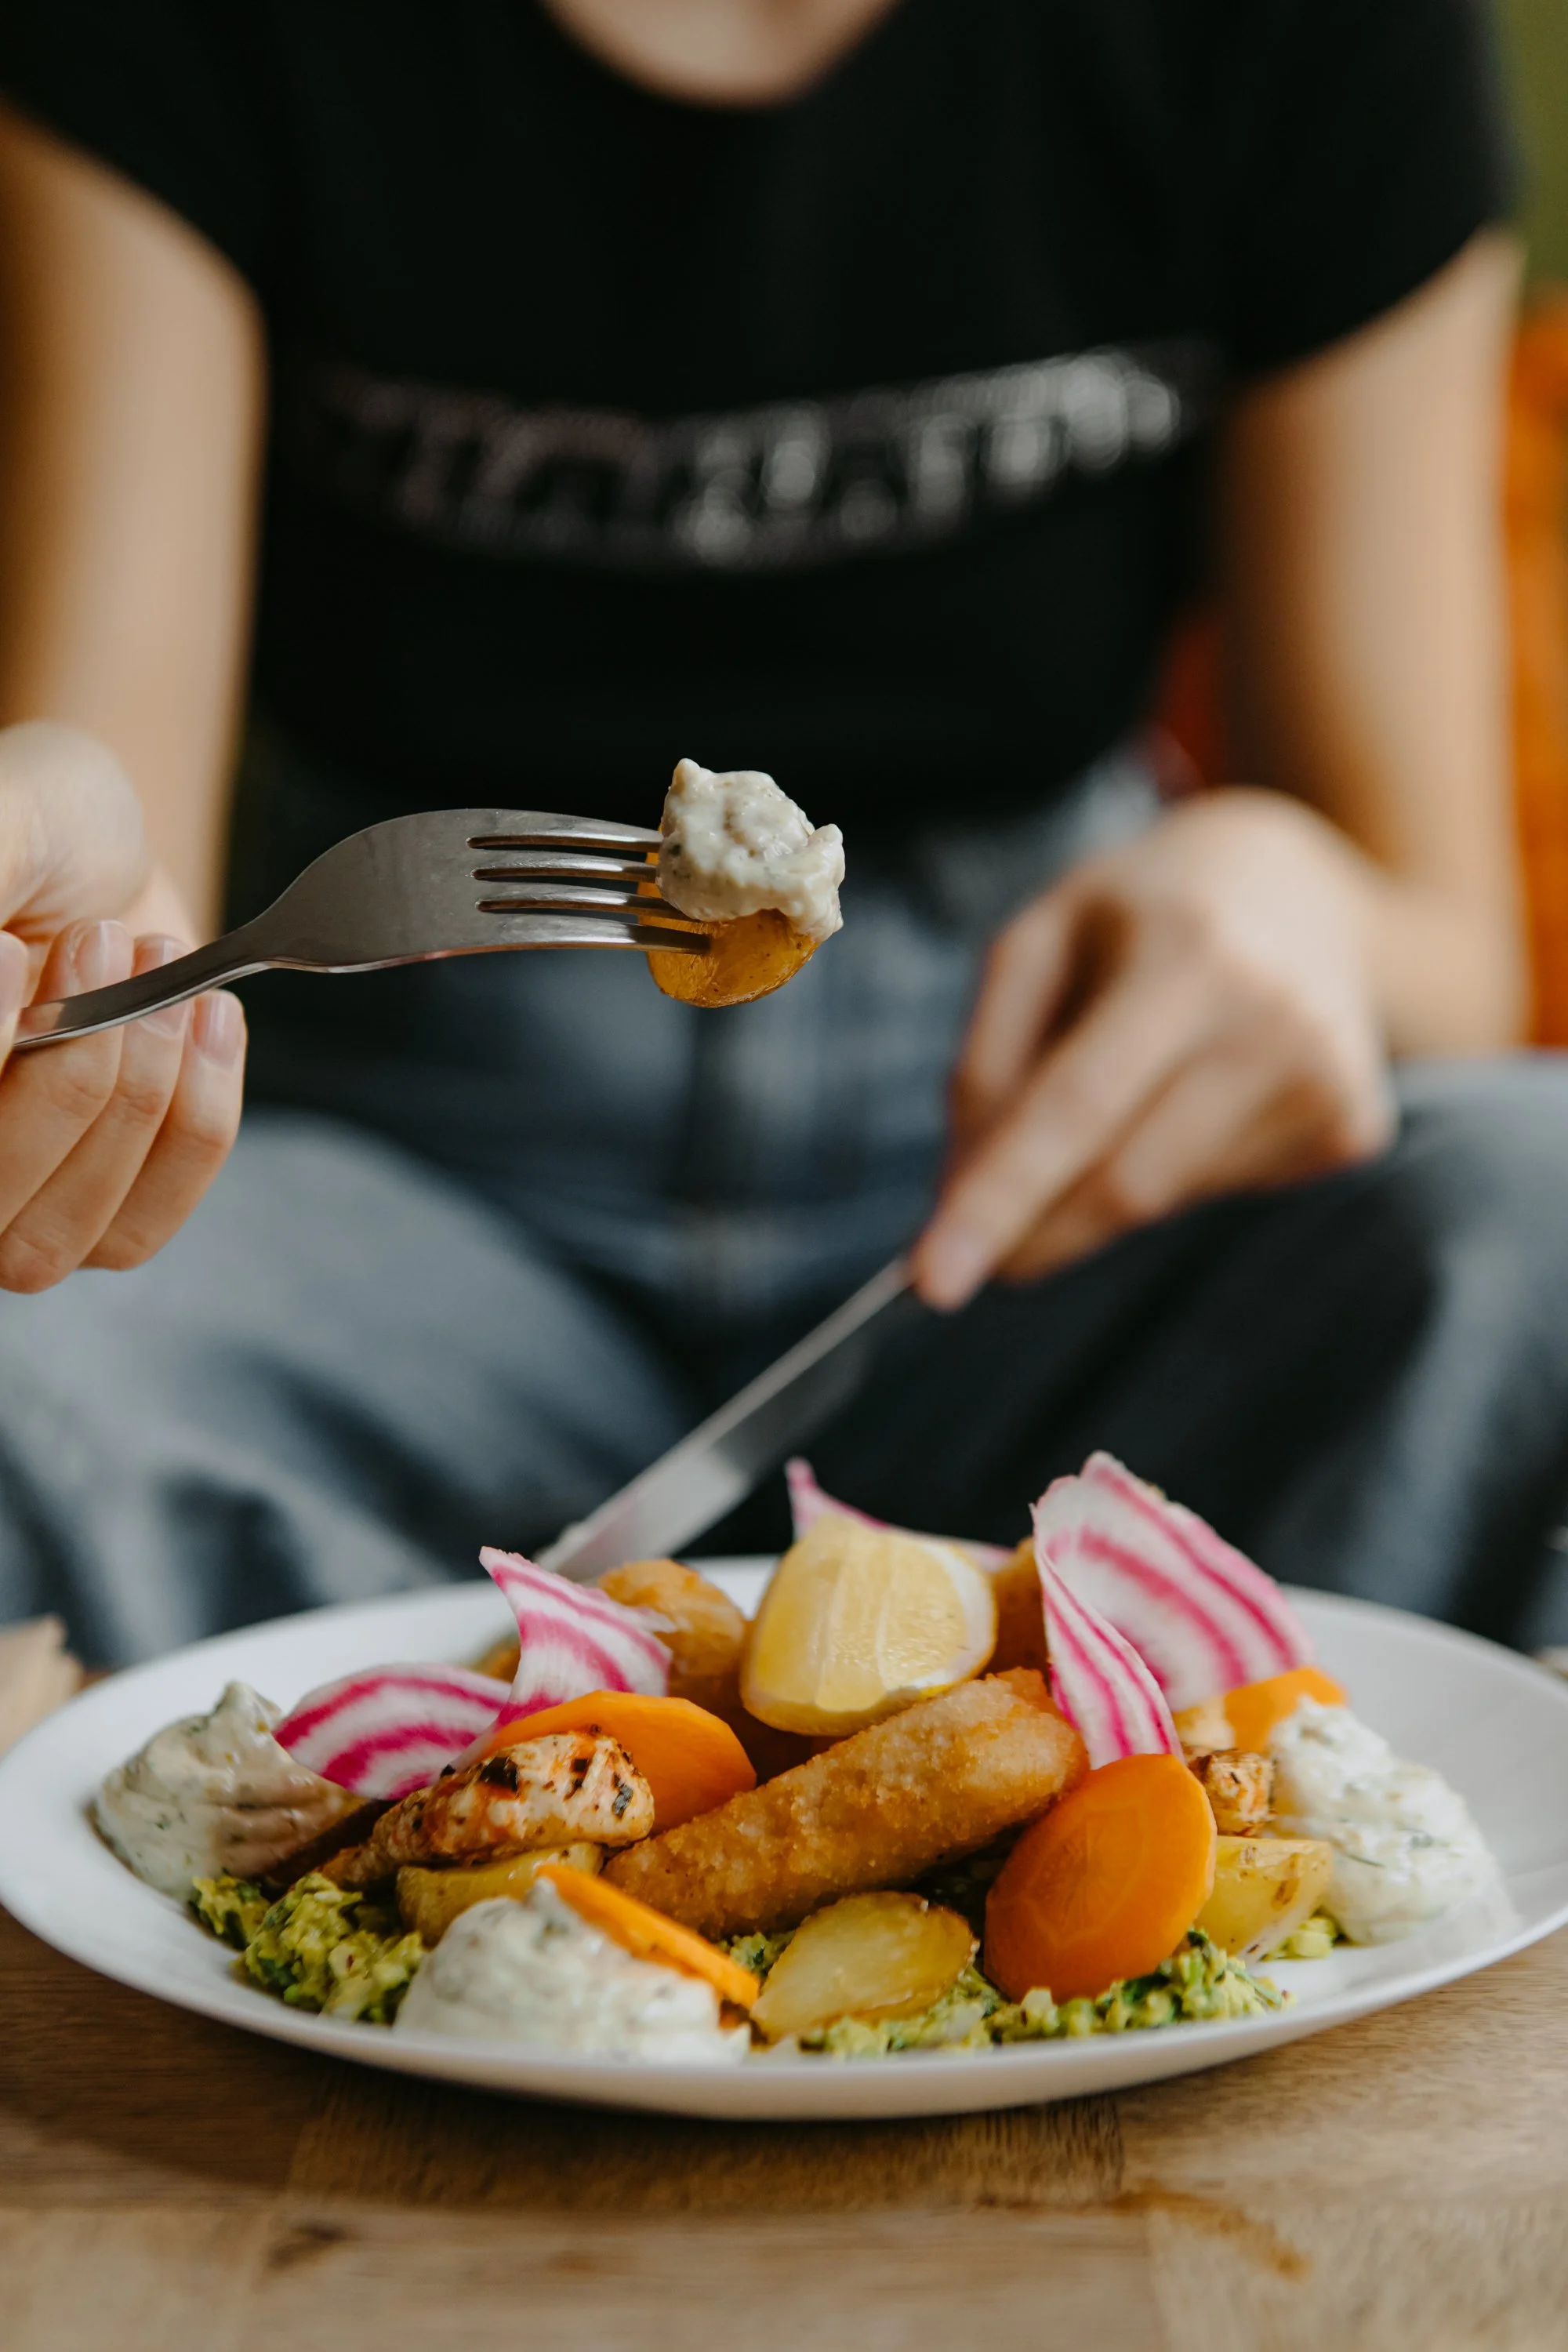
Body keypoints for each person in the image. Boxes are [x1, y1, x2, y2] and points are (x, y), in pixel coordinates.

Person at [0, 0, 1563, 1666]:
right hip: (395, 1216)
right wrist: (78, 961)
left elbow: (1446, 948)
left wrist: (1299, 902)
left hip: (1043, 1209)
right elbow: (129, 861)